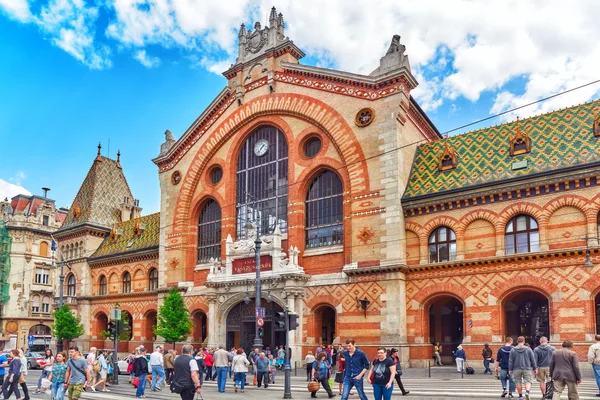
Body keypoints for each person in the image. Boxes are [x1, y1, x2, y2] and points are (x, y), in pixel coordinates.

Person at [508, 336, 537, 400]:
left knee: (518, 381)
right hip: (527, 367)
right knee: (528, 381)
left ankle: (520, 396)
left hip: (516, 368)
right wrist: (535, 368)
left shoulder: (513, 350)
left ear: (517, 341)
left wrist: (510, 369)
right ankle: (527, 392)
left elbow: (510, 361)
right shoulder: (528, 349)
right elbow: (533, 359)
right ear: (524, 341)